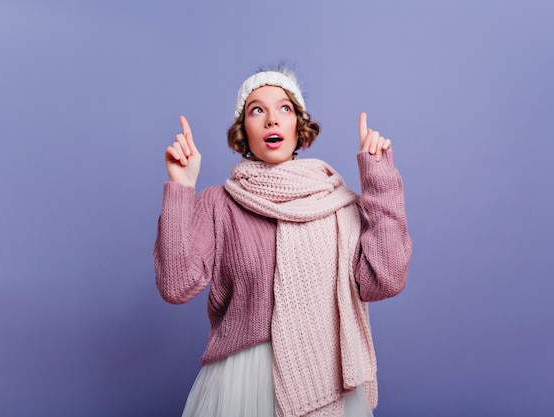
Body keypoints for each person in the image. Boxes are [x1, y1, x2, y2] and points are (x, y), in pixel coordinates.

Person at [154, 66, 412, 417]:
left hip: (327, 379)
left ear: (298, 125)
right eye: (256, 110)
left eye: (285, 108)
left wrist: (380, 182)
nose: (271, 119)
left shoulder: (337, 203)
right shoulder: (219, 203)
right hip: (241, 385)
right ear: (243, 130)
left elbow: (385, 280)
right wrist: (181, 188)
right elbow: (176, 286)